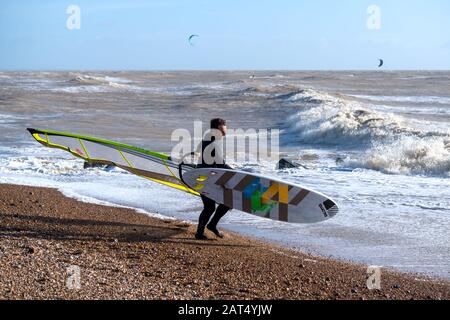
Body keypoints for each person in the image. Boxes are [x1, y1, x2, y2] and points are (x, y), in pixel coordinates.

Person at [195, 118, 231, 240]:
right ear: (219, 128)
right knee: (210, 206)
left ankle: (211, 225)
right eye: (225, 126)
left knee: (227, 203)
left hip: (209, 175)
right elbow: (221, 164)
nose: (227, 128)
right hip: (205, 177)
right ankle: (199, 233)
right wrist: (237, 172)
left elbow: (199, 150)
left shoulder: (209, 137)